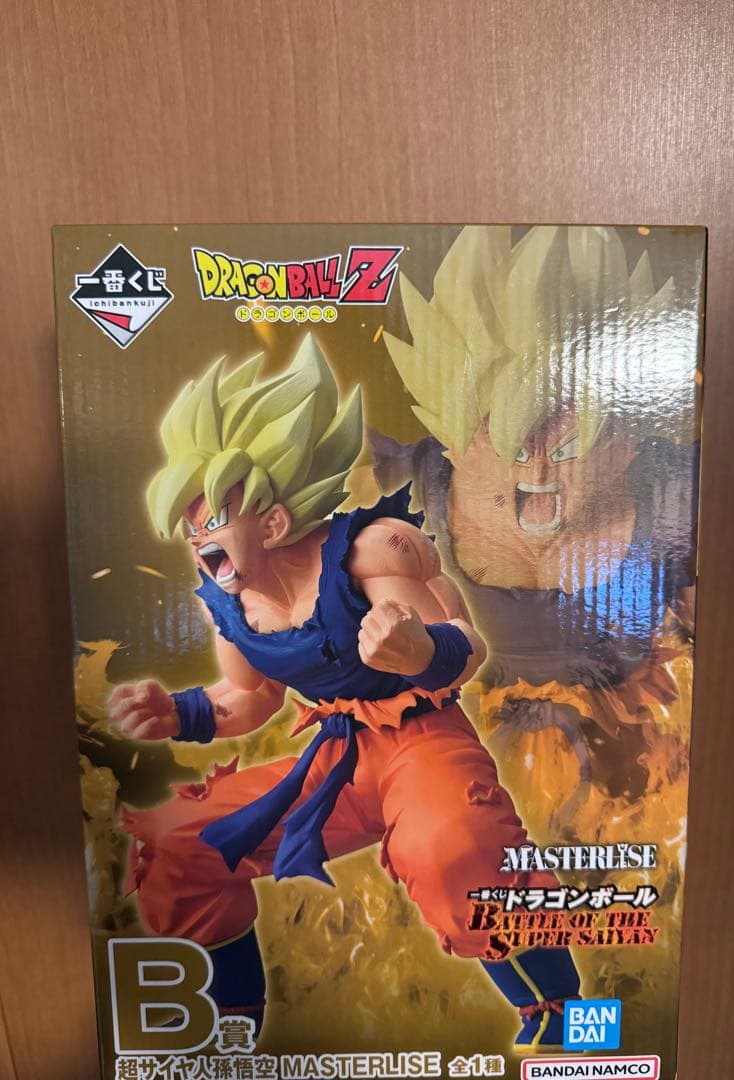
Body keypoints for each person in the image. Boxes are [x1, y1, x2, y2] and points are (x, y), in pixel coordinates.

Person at [109, 333, 580, 1052]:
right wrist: (178, 712)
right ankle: (232, 1025)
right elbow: (250, 698)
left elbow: (465, 645)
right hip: (338, 758)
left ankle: (562, 1016)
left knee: (454, 849)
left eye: (211, 521)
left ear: (272, 521)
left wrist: (420, 650)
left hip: (423, 740)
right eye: (189, 526)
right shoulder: (229, 600)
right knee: (180, 844)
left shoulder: (371, 552)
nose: (197, 540)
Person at [376, 225, 698, 824]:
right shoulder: (402, 485)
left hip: (638, 777)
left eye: (570, 445)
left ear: (624, 442)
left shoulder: (682, 491)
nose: (539, 470)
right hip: (461, 771)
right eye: (514, 446)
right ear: (456, 444)